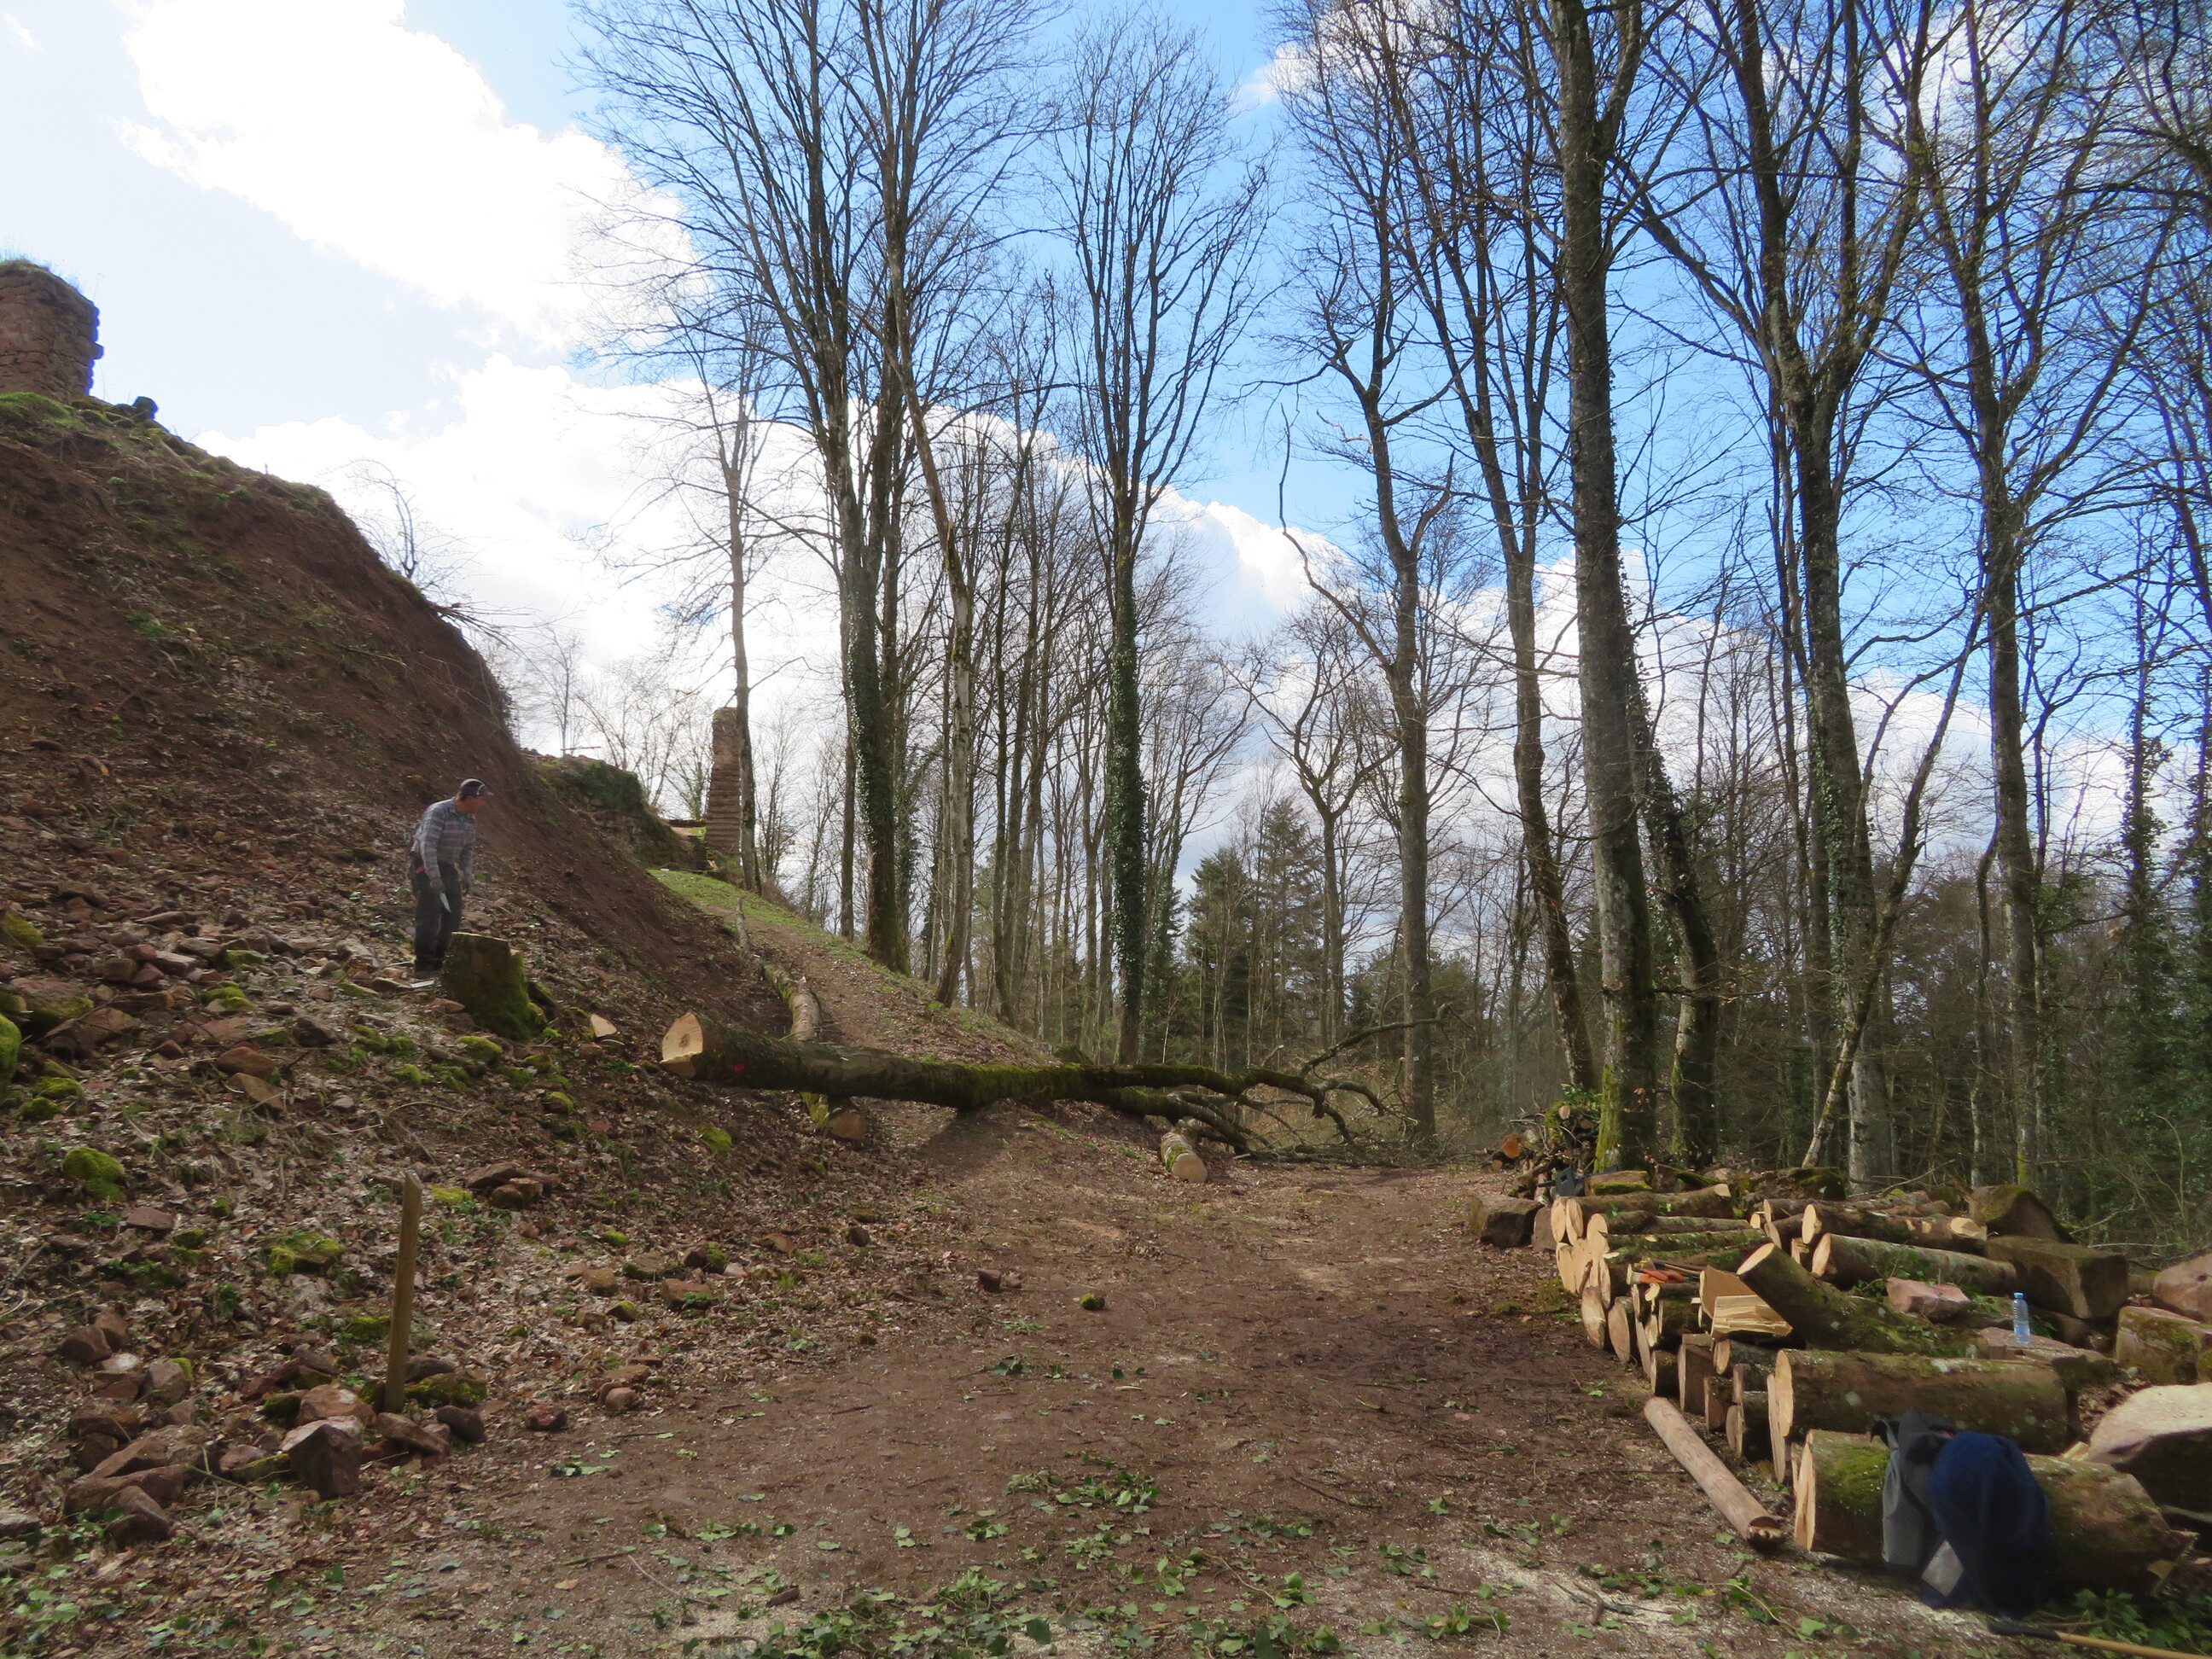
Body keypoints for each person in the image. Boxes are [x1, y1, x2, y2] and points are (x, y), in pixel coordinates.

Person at [410, 779, 491, 977]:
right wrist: (433, 876)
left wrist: (467, 873)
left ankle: (440, 961)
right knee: (429, 915)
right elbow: (427, 845)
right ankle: (423, 965)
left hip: (448, 867)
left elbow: (467, 848)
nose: (483, 803)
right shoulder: (439, 811)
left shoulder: (470, 818)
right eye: (481, 799)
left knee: (453, 914)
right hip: (425, 864)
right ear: (470, 798)